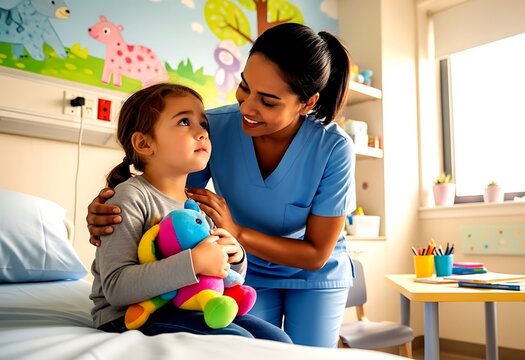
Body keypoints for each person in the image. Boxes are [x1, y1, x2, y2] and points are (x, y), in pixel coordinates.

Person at [87, 23, 355, 347]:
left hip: (312, 273)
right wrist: (109, 210)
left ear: (307, 103)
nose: (247, 107)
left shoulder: (333, 147)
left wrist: (235, 240)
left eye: (268, 101)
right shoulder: (216, 127)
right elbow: (168, 194)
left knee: (300, 351)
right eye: (244, 87)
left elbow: (315, 253)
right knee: (253, 345)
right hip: (244, 271)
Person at [89, 82, 291, 343]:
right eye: (185, 122)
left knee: (279, 341)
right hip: (128, 316)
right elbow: (116, 288)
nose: (202, 133)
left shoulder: (196, 204)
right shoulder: (130, 197)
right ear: (143, 143)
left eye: (203, 124)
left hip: (188, 306)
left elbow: (222, 275)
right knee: (237, 341)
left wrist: (236, 255)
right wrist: (194, 262)